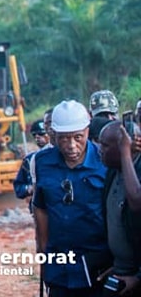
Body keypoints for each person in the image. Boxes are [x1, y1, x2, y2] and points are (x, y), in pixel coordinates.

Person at [32, 100, 110, 296]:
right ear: (53, 135)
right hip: (59, 267)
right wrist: (42, 253)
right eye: (64, 139)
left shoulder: (106, 162)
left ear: (87, 130)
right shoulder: (42, 163)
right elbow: (40, 207)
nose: (71, 145)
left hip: (98, 265)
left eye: (78, 137)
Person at [98, 120, 141, 296]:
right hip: (120, 272)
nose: (100, 149)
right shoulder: (112, 173)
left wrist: (138, 277)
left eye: (105, 146)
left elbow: (137, 201)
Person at [13, 119, 51, 203]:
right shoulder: (29, 160)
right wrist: (29, 188)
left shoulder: (64, 155)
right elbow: (18, 188)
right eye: (34, 135)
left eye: (41, 133)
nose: (37, 137)